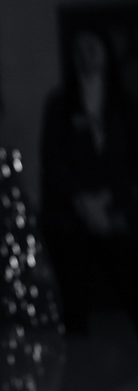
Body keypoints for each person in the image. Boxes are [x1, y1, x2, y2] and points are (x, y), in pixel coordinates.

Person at [40, 28, 138, 334]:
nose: (86, 56)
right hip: (69, 216)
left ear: (106, 53)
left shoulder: (125, 104)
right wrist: (83, 202)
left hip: (114, 212)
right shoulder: (59, 105)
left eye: (92, 48)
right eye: (79, 50)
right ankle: (78, 358)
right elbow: (53, 161)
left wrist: (107, 199)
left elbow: (132, 162)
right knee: (75, 301)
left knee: (131, 286)